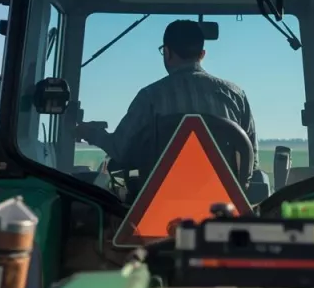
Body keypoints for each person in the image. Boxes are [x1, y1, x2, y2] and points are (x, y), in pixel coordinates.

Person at [76, 19, 258, 173]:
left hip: (157, 206)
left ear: (167, 52)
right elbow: (251, 158)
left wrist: (89, 133)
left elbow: (120, 149)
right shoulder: (235, 96)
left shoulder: (150, 97)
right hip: (224, 207)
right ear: (202, 55)